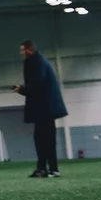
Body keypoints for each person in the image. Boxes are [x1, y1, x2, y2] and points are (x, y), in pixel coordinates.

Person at [13, 40, 68, 178]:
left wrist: (22, 89)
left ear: (28, 50)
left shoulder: (37, 63)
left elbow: (38, 84)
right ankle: (45, 168)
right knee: (44, 138)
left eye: (22, 50)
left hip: (44, 108)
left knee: (45, 139)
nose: (21, 53)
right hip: (45, 108)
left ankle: (49, 169)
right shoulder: (39, 62)